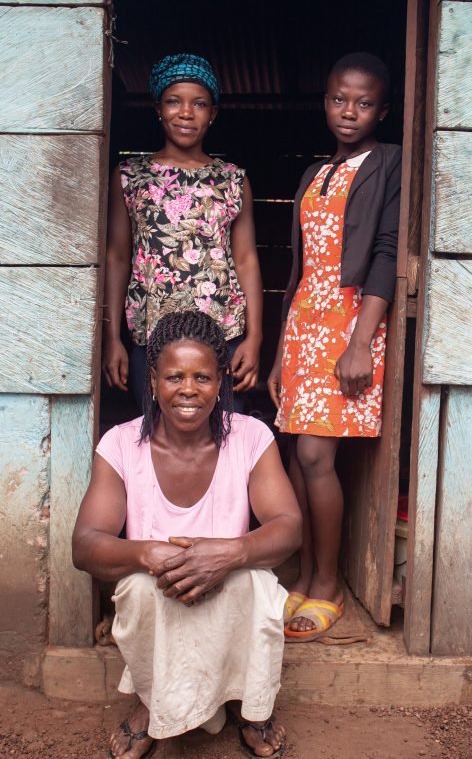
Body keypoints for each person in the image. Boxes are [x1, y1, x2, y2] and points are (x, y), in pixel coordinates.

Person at [73, 310, 300, 759]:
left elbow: (289, 526)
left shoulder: (251, 438)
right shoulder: (120, 445)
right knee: (137, 588)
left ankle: (250, 706)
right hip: (160, 590)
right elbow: (85, 544)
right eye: (175, 376)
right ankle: (152, 703)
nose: (189, 390)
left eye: (203, 377)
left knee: (257, 582)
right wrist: (150, 555)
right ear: (153, 380)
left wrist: (229, 554)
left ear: (221, 383)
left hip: (227, 585)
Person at [267, 52, 400, 641]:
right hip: (304, 322)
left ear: (383, 110)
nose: (350, 112)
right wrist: (277, 355)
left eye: (364, 102)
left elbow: (387, 254)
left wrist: (360, 343)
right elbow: (298, 270)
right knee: (298, 455)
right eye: (339, 99)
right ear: (324, 102)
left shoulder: (389, 163)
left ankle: (329, 586)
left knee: (318, 457)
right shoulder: (313, 175)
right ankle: (302, 574)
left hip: (350, 322)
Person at [102, 53, 264, 410]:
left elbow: (247, 259)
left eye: (199, 104)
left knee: (222, 436)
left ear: (213, 113)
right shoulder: (131, 177)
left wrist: (254, 338)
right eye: (174, 101)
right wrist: (111, 338)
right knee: (159, 435)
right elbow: (116, 257)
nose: (186, 113)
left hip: (224, 335)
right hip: (152, 335)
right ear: (158, 108)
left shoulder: (232, 180)